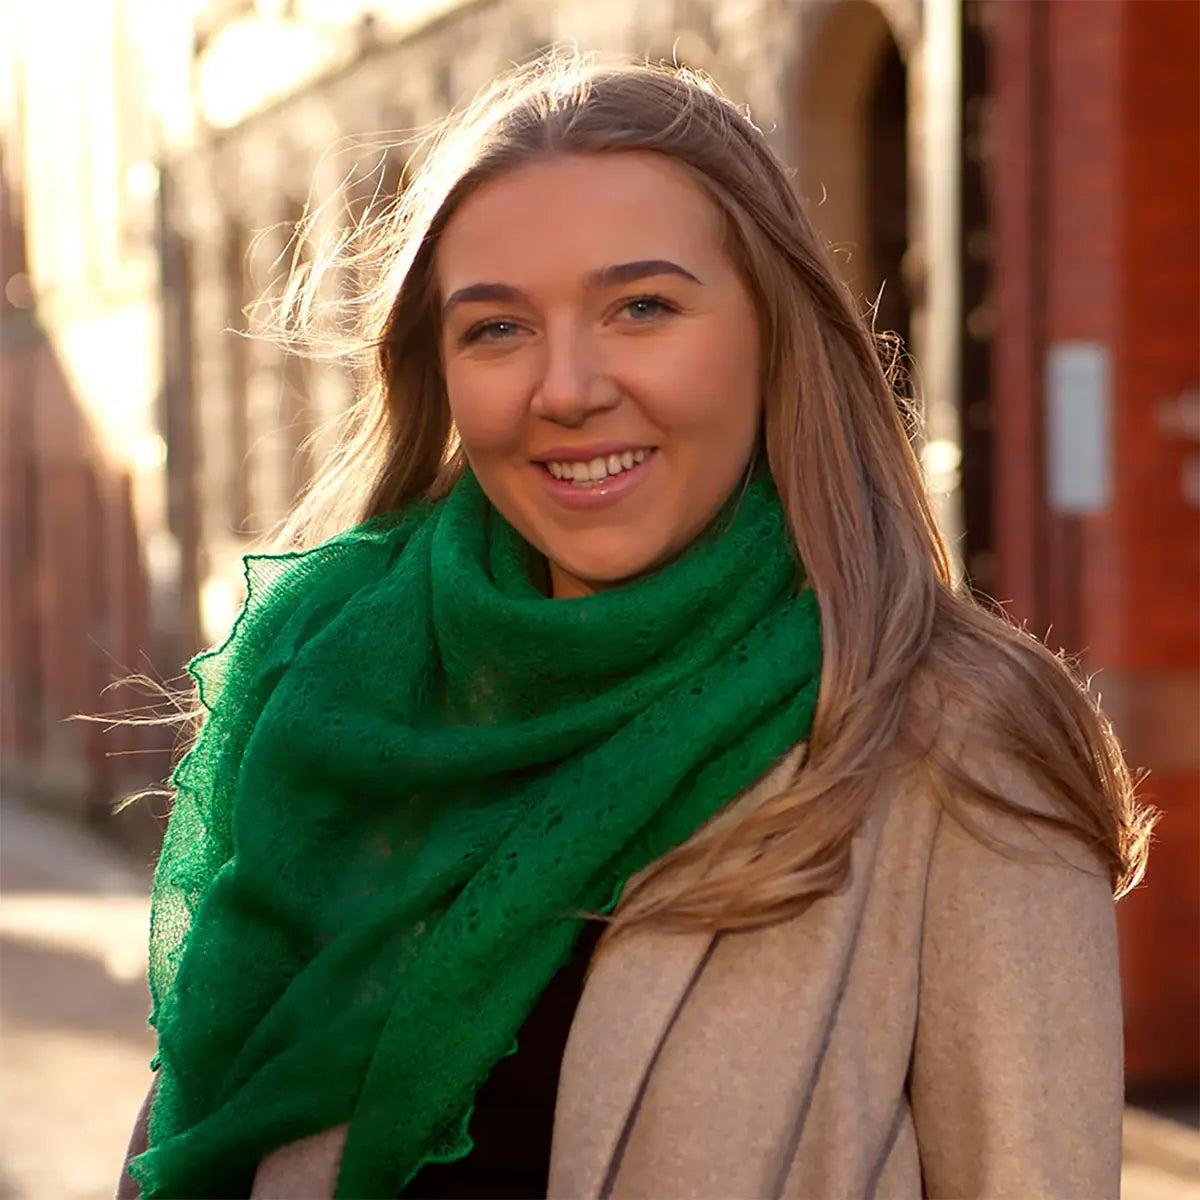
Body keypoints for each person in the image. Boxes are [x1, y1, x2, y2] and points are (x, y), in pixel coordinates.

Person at [119, 53, 1153, 1200]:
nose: (566, 388)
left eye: (642, 307)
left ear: (775, 331)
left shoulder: (953, 746)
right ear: (439, 369)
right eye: (496, 328)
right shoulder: (332, 699)